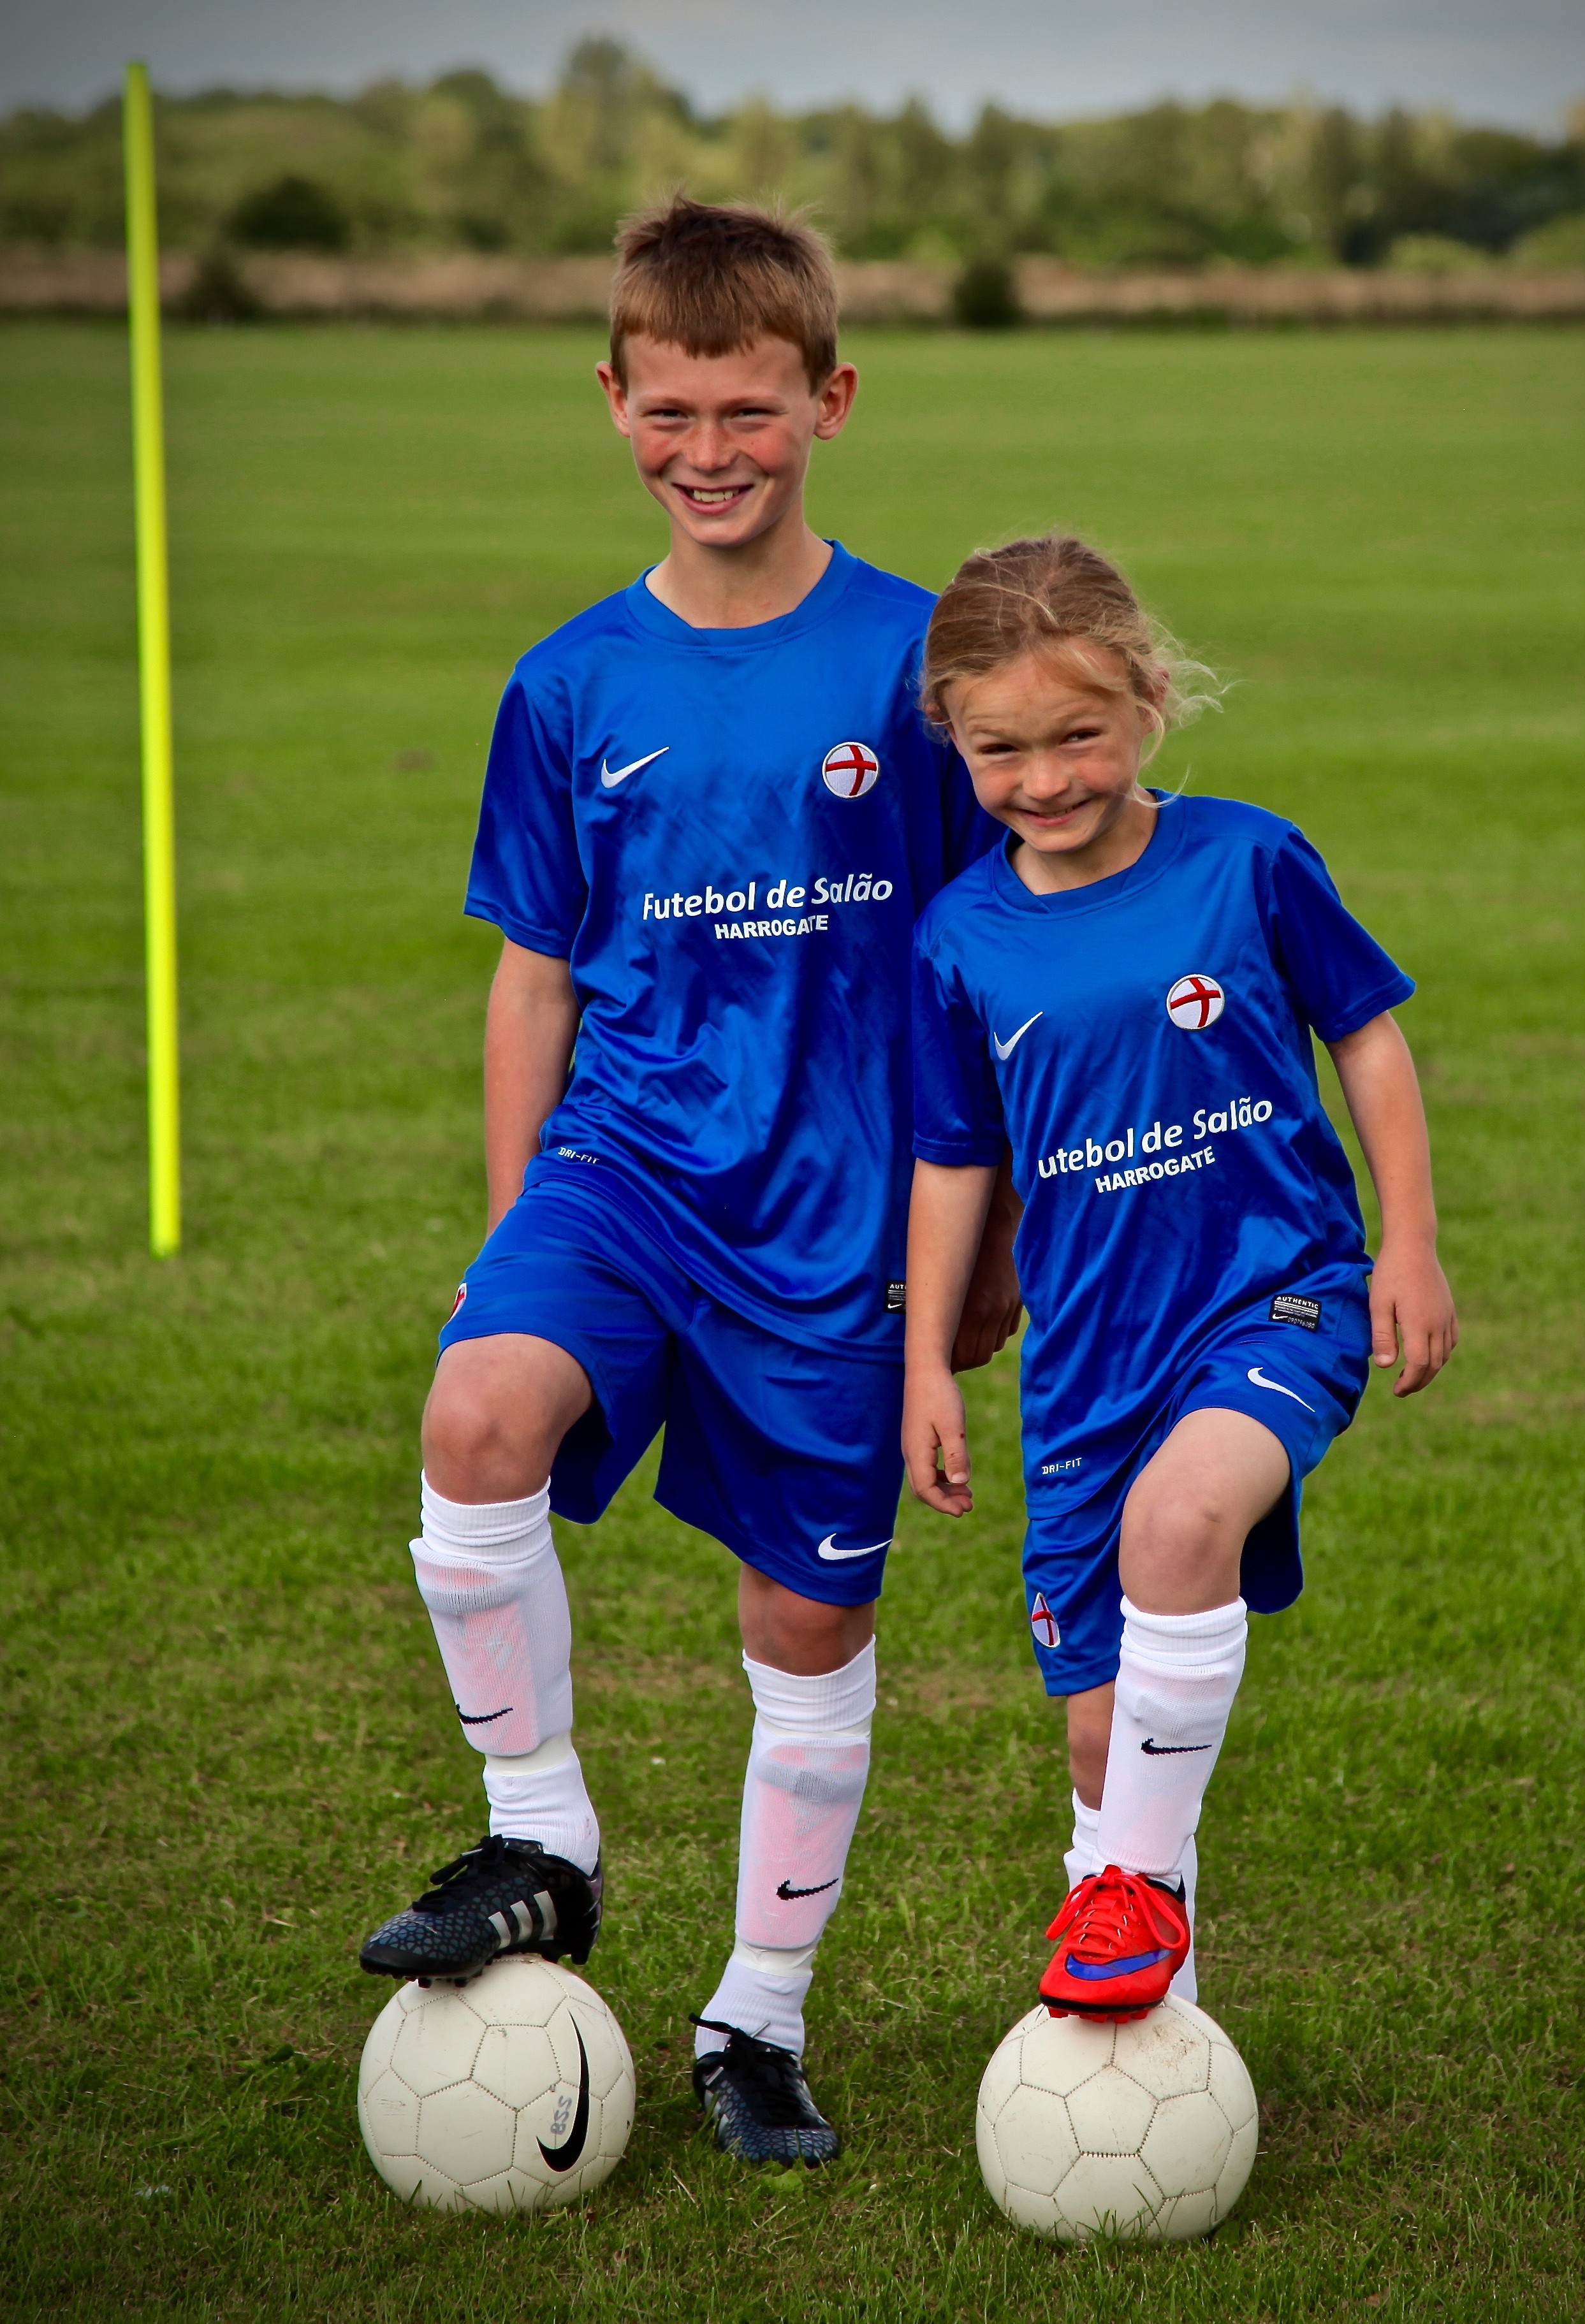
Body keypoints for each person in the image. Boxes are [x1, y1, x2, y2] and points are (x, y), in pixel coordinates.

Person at [356, 197, 1019, 2165]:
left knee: (801, 1633)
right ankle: (540, 1836)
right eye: (668, 412)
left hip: (840, 1220)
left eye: (748, 410)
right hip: (625, 1168)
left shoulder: (914, 662)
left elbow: (986, 956)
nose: (706, 451)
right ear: (612, 398)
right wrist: (509, 1227)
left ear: (828, 395)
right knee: (477, 1412)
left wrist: (985, 1249)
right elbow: (536, 966)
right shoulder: (569, 683)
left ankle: (757, 2016)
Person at [902, 535, 1456, 2021]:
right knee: (1105, 1746)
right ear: (952, 740)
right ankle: (1157, 2016)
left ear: (1149, 700)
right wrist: (921, 1370)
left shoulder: (1249, 858)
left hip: (1275, 1296)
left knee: (1184, 1518)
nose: (1044, 778)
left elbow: (1371, 1038)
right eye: (999, 748)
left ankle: (1124, 1911)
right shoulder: (959, 935)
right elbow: (956, 1156)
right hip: (1086, 1361)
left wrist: (1406, 1241)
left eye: (1078, 733)